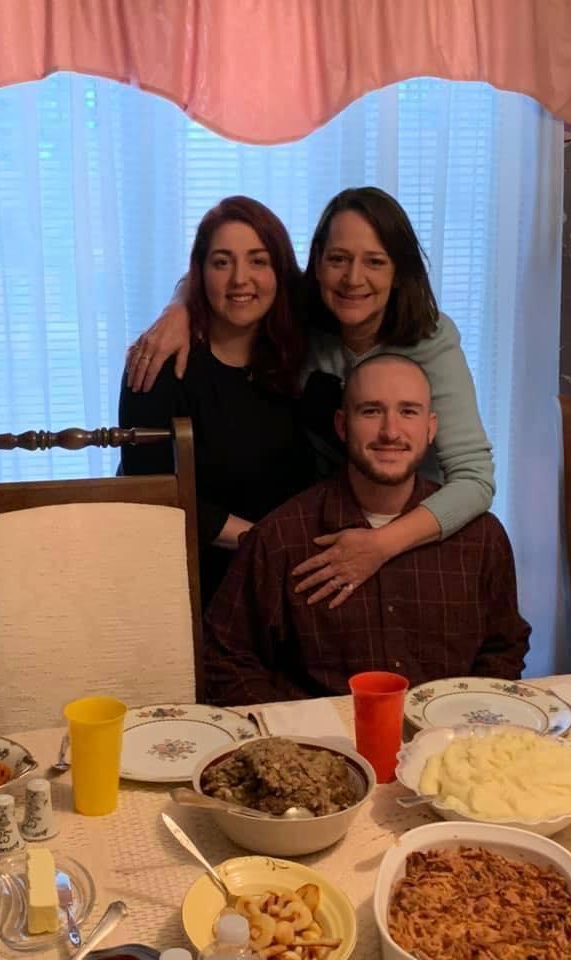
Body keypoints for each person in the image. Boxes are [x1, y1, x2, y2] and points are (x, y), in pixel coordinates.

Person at [125, 187, 494, 609]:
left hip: (410, 533)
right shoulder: (304, 323)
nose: (353, 279)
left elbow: (475, 479)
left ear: (400, 270)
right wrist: (179, 307)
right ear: (317, 264)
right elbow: (241, 278)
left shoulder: (429, 340)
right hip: (312, 539)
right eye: (338, 259)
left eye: (375, 261)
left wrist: (379, 545)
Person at [203, 354, 530, 706]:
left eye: (408, 412)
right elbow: (225, 659)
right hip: (320, 737)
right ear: (342, 425)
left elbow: (504, 648)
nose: (390, 432)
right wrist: (287, 730)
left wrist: (473, 719)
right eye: (371, 411)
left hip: (448, 735)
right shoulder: (281, 538)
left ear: (431, 428)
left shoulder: (481, 539)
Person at [118, 196, 313, 606]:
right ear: (201, 273)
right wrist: (263, 544)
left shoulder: (302, 353)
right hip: (188, 579)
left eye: (258, 261)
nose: (240, 279)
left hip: (294, 574)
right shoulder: (156, 363)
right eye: (222, 262)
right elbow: (150, 489)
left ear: (279, 272)